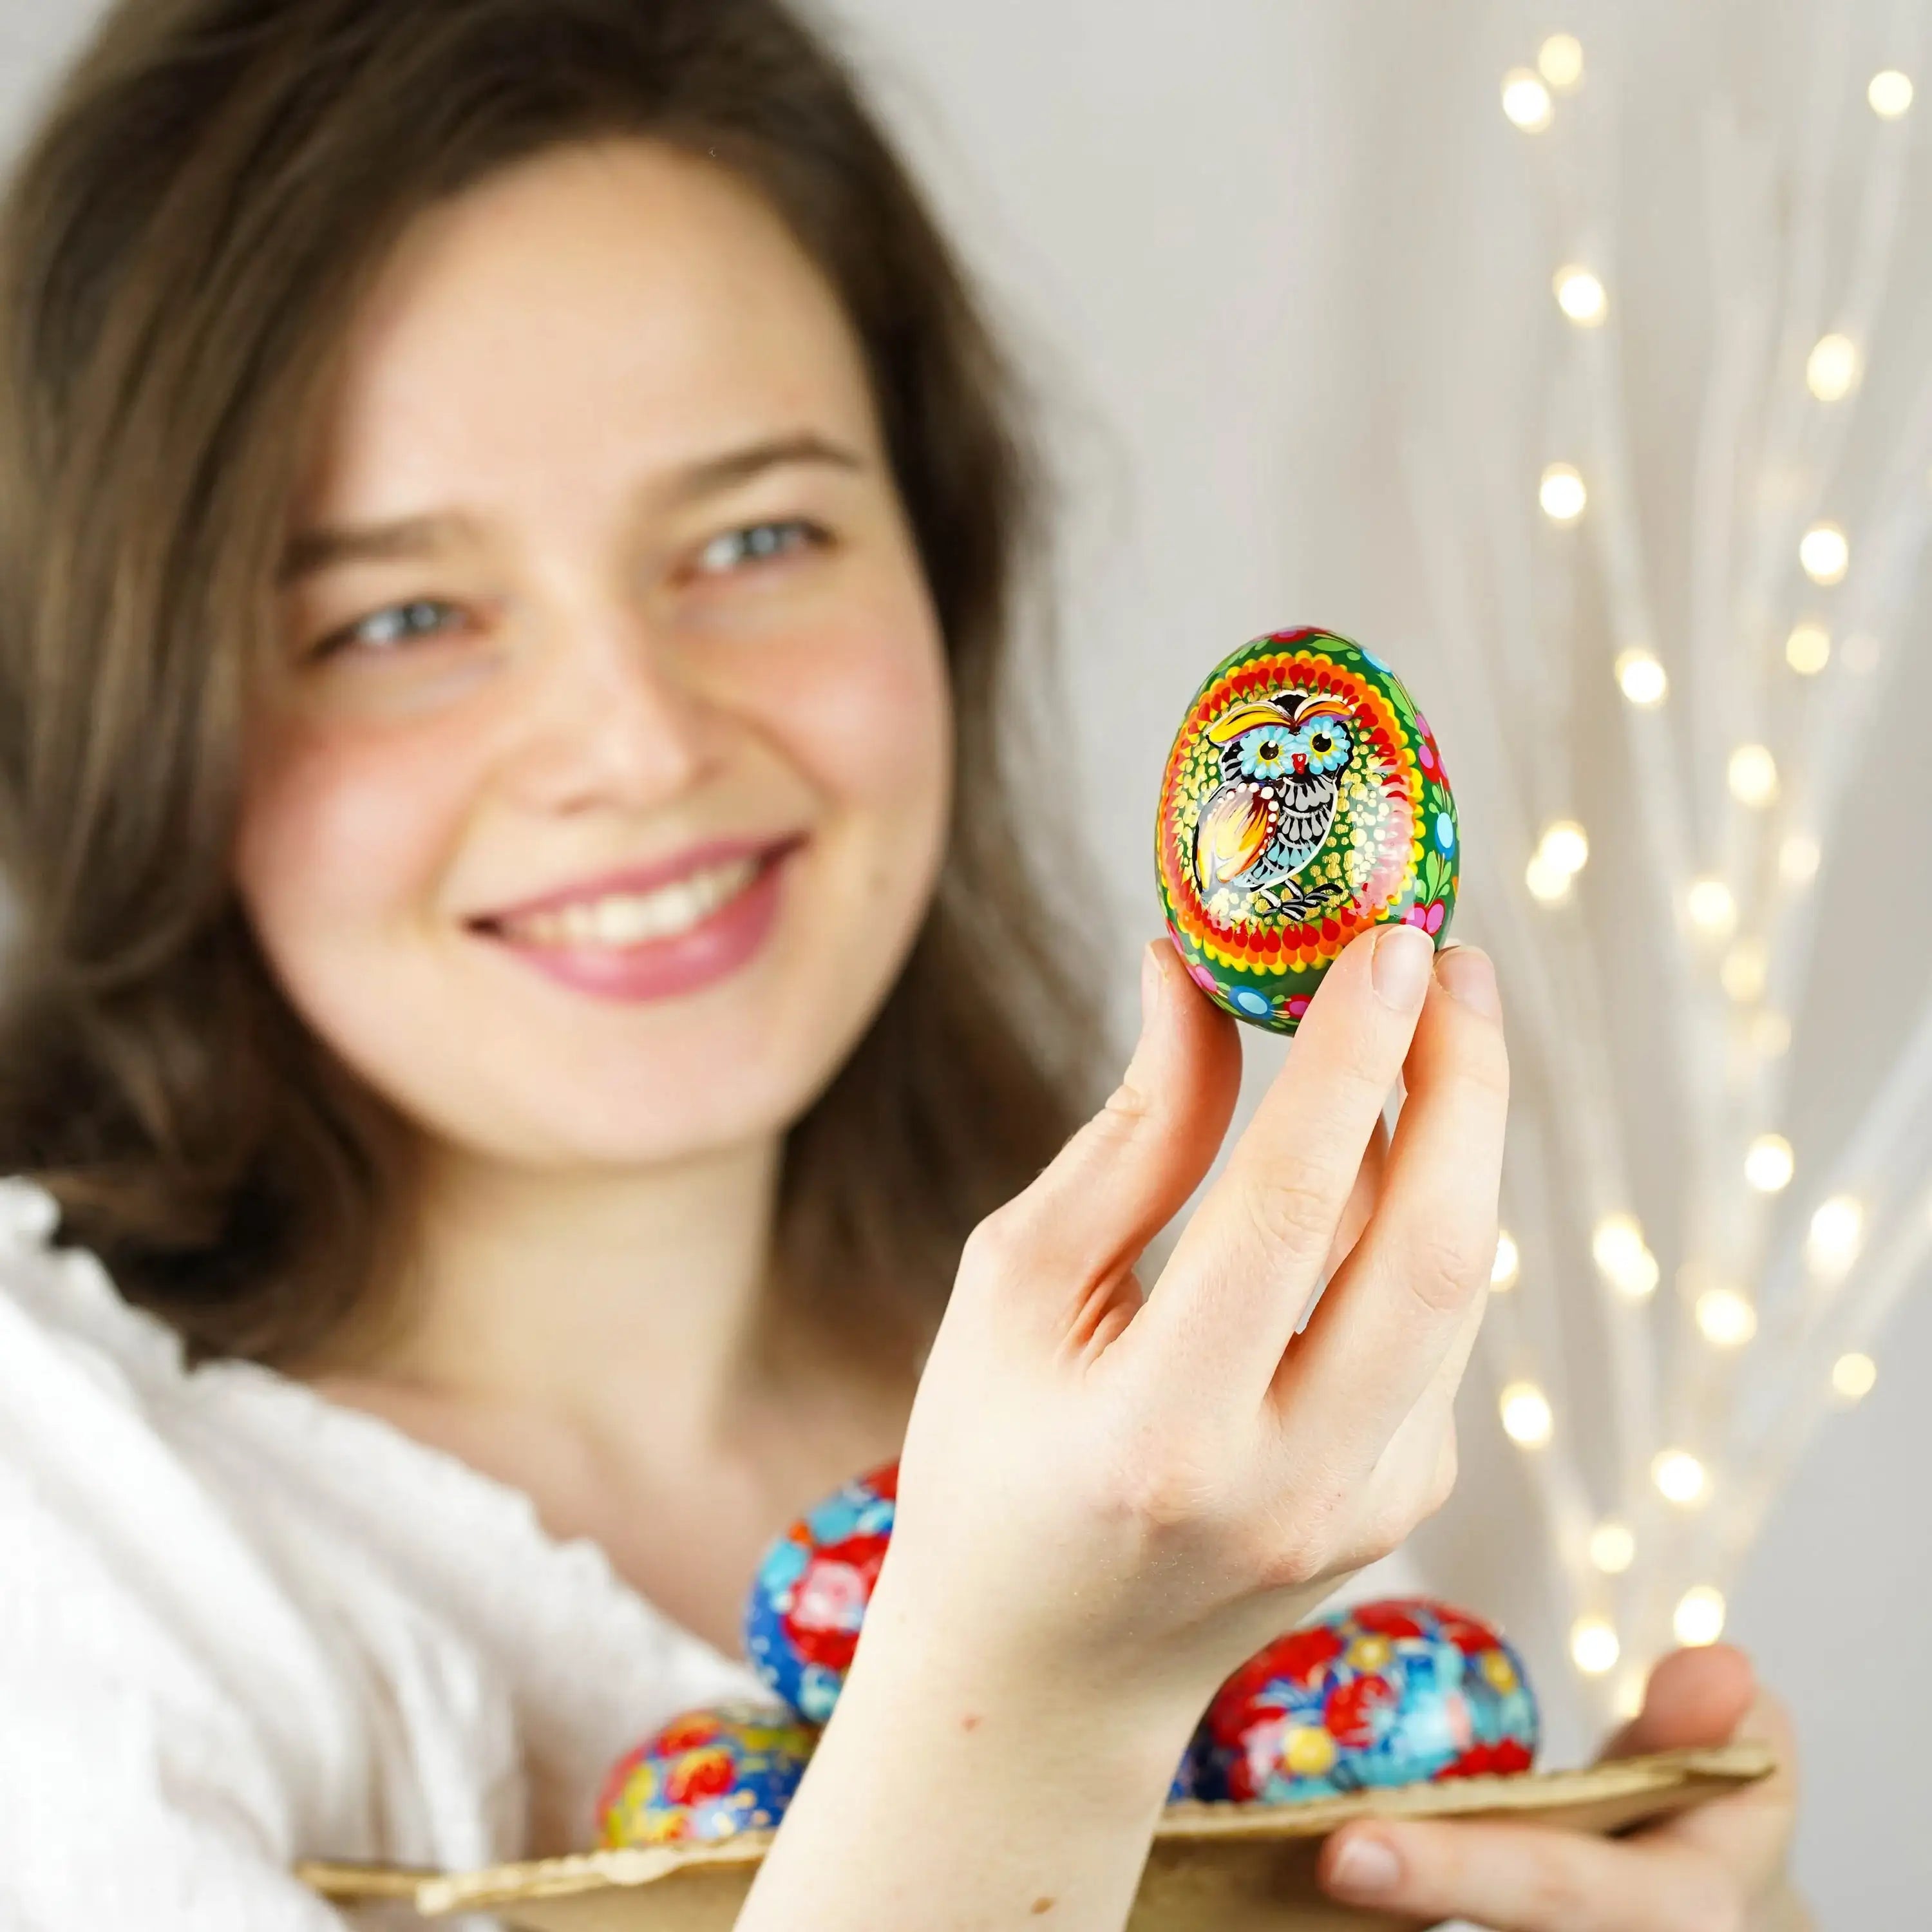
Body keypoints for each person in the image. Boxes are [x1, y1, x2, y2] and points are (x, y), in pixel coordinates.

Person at [0, 0, 1801, 1926]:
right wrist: (1029, 1709)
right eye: (402, 615)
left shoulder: (1182, 1437)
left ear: (942, 568)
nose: (639, 740)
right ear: (135, 713)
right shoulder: (70, 1533)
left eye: (760, 533)